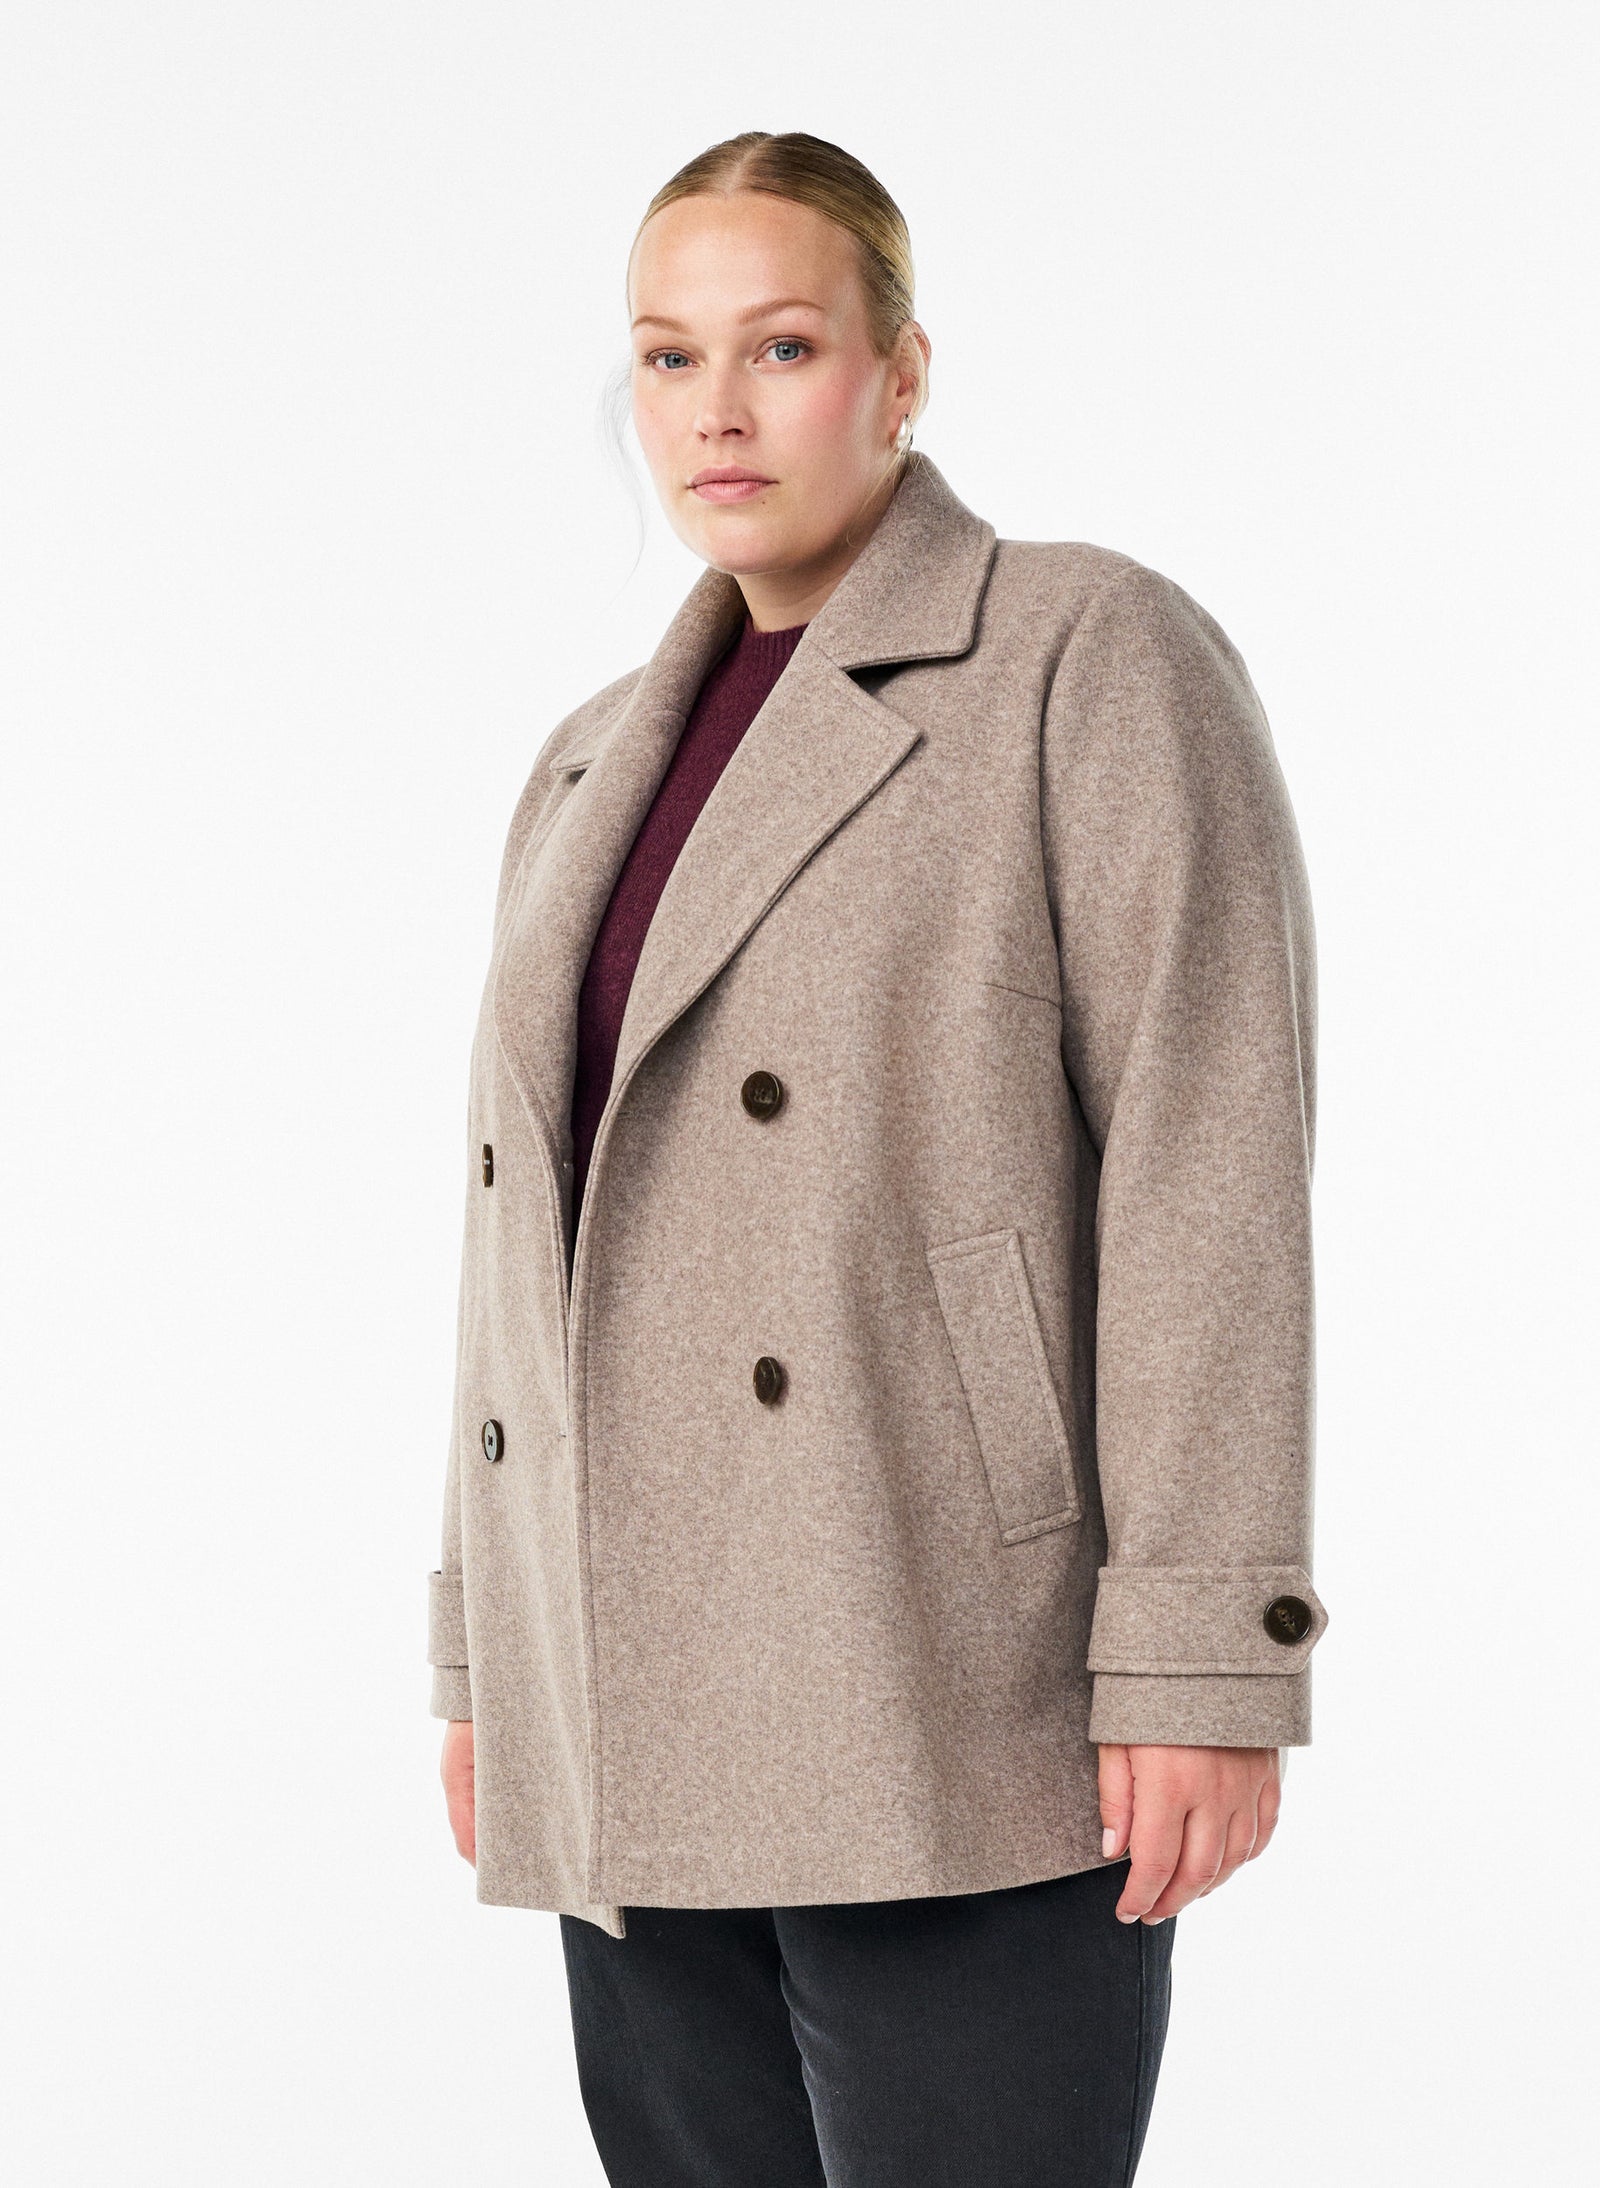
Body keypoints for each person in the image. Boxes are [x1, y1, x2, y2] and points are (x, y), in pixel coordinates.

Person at [428, 129, 1327, 2187]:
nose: (714, 411)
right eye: (667, 357)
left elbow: (1205, 1164)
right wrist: (492, 1646)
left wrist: (1200, 1654)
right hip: (626, 1688)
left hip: (939, 1657)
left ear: (900, 372)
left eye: (781, 346)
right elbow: (518, 1242)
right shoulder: (586, 758)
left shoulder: (1082, 652)